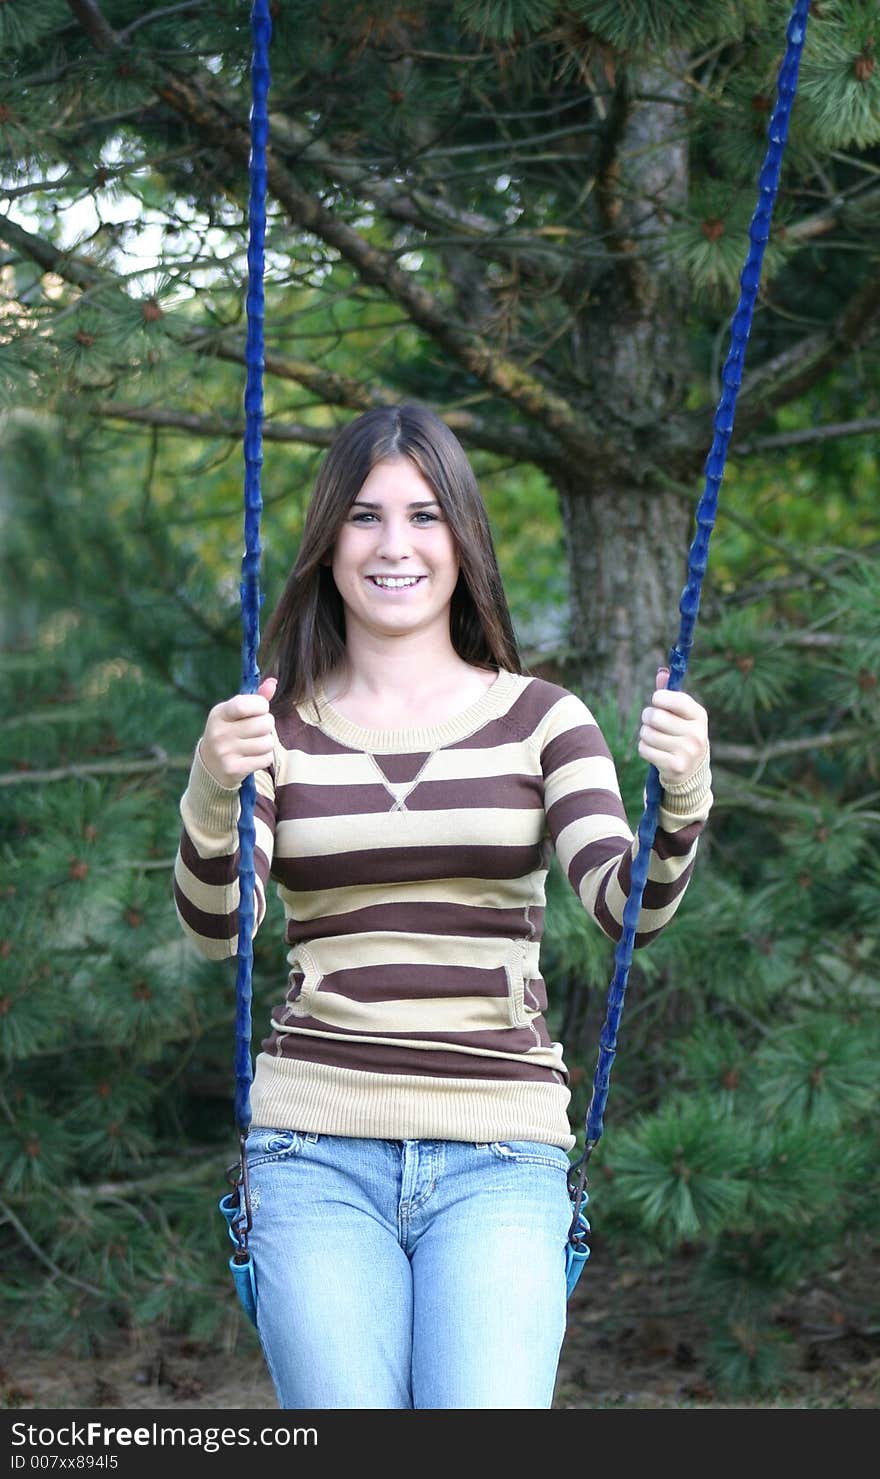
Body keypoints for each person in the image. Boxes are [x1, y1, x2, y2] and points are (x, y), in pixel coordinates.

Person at [172, 402, 712, 1410]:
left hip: (500, 1152)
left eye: (424, 516)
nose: (394, 547)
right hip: (314, 1150)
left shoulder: (544, 721)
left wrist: (682, 796)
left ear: (462, 537)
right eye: (366, 517)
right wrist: (210, 788)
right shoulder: (271, 730)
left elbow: (625, 909)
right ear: (330, 540)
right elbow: (216, 930)